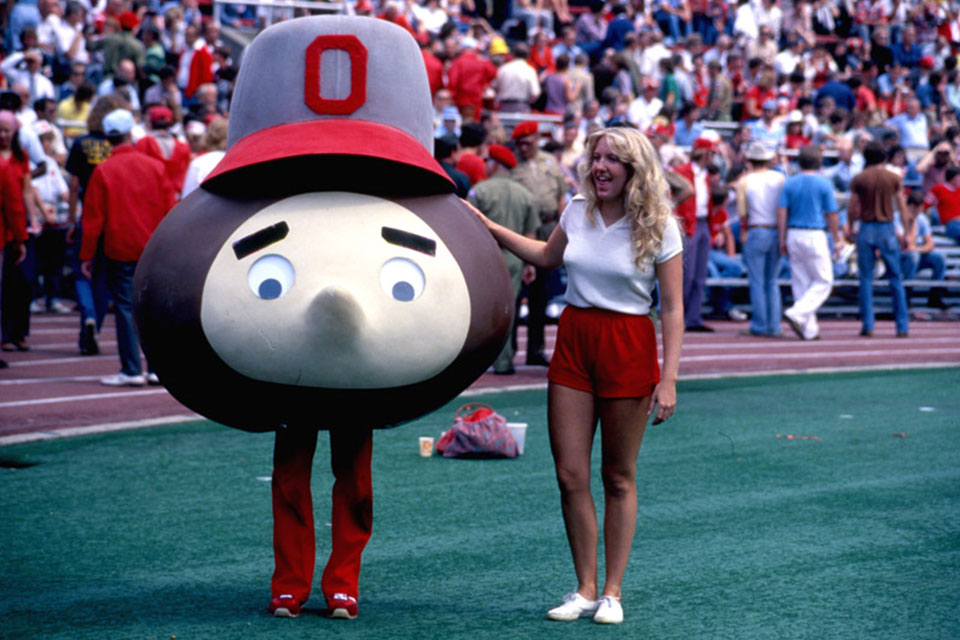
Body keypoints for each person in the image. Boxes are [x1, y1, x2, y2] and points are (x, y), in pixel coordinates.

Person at [468, 126, 682, 625]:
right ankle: (584, 588)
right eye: (596, 157)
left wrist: (668, 378)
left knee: (618, 476)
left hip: (628, 342)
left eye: (613, 159)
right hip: (575, 339)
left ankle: (612, 591)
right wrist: (491, 228)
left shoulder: (660, 224)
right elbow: (547, 256)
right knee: (569, 474)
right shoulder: (576, 209)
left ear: (634, 168)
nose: (601, 166)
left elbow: (672, 308)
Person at [79, 108, 177, 385]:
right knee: (152, 308)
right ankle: (157, 368)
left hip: (120, 248)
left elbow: (93, 219)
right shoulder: (155, 166)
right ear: (131, 134)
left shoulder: (103, 170)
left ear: (108, 138)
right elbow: (171, 209)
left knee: (124, 307)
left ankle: (131, 369)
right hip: (153, 248)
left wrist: (86, 255)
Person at [467, 144, 539, 374]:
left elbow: (469, 227)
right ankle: (505, 360)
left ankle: (487, 360)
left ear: (495, 164)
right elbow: (530, 233)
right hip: (516, 257)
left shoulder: (480, 191)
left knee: (485, 311)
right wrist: (530, 263)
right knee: (510, 310)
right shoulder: (524, 194)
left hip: (487, 258)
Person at [509, 120, 567, 366]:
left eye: (527, 143)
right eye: (519, 144)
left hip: (549, 225)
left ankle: (536, 348)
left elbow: (561, 194)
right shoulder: (514, 167)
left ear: (536, 140)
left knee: (540, 294)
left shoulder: (549, 162)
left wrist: (564, 225)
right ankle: (508, 352)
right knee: (517, 290)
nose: (523, 148)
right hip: (524, 228)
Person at [847, 140, 911, 338]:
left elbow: (852, 207)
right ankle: (902, 326)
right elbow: (902, 206)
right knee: (895, 278)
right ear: (883, 157)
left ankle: (868, 325)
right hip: (886, 227)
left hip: (867, 227)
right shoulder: (893, 177)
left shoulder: (860, 178)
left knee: (865, 279)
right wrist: (907, 231)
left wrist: (850, 227)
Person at [777, 145, 841, 341]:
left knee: (801, 282)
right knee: (824, 280)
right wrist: (836, 238)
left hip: (794, 232)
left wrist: (782, 238)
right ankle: (797, 314)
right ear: (819, 162)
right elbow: (831, 214)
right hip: (814, 233)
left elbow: (782, 211)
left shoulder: (789, 183)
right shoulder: (824, 183)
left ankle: (809, 330)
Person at [738, 141, 784, 337]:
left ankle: (759, 325)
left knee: (757, 281)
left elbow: (742, 213)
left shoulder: (745, 181)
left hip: (756, 229)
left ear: (750, 160)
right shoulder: (779, 178)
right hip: (775, 229)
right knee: (772, 281)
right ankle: (774, 325)